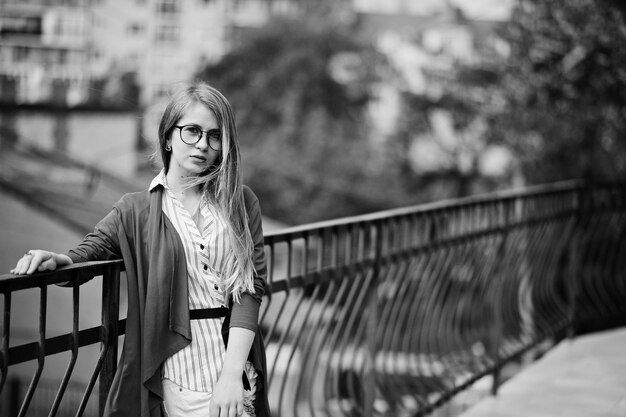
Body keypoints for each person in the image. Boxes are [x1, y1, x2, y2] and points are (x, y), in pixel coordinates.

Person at [11, 82, 270, 417]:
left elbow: (250, 291)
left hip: (237, 368)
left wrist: (232, 374)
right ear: (167, 136)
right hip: (181, 374)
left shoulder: (240, 202)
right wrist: (57, 261)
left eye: (215, 136)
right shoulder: (135, 210)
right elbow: (89, 251)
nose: (203, 144)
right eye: (192, 131)